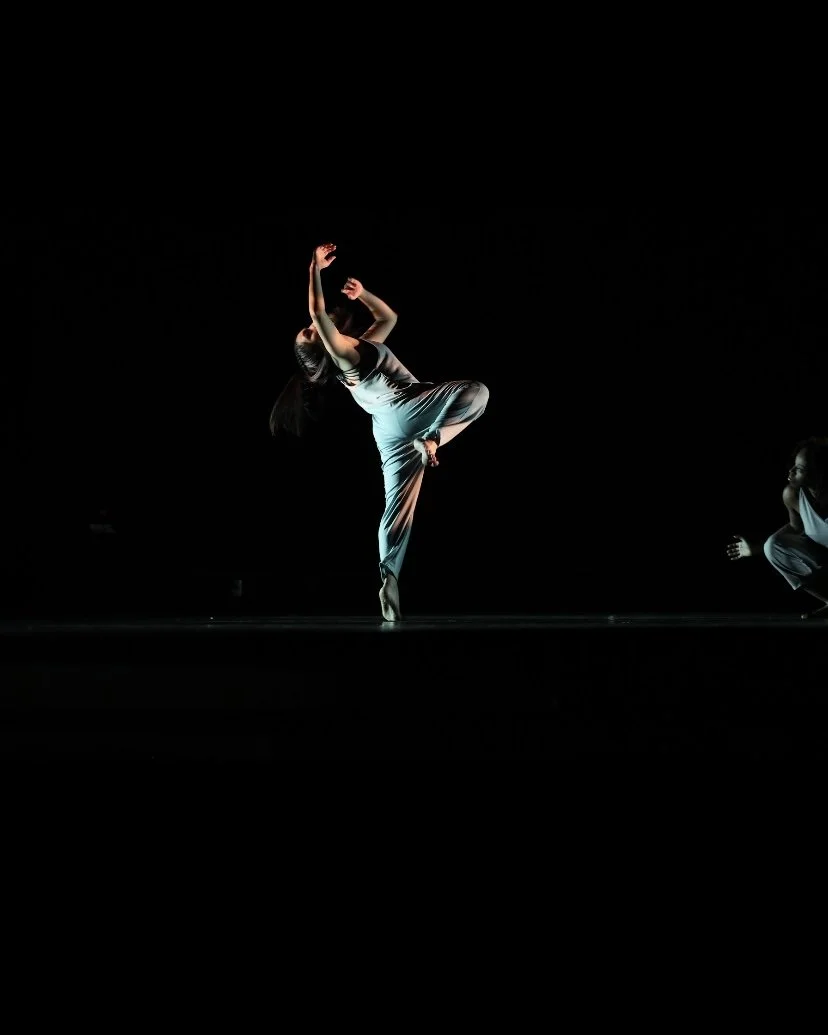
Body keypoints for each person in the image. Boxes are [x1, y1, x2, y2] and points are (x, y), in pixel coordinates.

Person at [270, 242, 489, 622]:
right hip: (408, 409)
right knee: (476, 392)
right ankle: (433, 439)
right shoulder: (344, 355)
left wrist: (363, 294)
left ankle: (389, 576)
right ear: (321, 345)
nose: (313, 326)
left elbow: (389, 317)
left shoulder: (362, 347)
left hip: (387, 429)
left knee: (397, 505)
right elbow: (316, 311)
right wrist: (314, 268)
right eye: (309, 332)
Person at [728, 436, 828, 619]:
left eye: (800, 469)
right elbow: (796, 528)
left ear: (819, 474)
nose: (791, 471)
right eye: (794, 465)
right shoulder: (793, 495)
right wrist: (757, 549)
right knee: (773, 546)